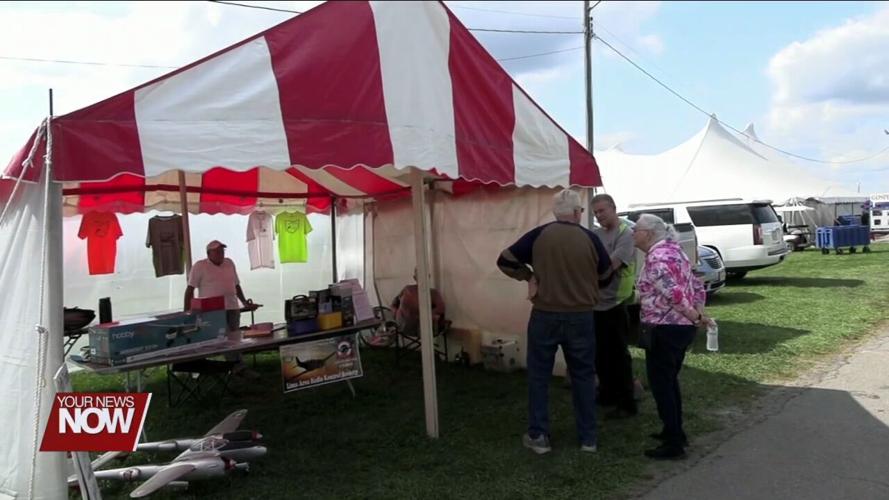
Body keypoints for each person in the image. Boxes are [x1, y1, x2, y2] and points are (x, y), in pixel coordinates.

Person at [497, 189, 612, 455]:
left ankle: (539, 436)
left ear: (555, 212)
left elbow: (504, 260)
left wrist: (529, 276)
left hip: (545, 315)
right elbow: (606, 276)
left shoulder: (539, 235)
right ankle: (588, 438)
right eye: (582, 211)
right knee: (583, 376)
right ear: (575, 212)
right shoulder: (590, 238)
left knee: (539, 376)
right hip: (581, 316)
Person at [632, 214, 707, 460]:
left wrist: (694, 314)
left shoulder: (656, 258)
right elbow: (696, 283)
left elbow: (673, 293)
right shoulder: (677, 251)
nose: (634, 233)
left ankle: (674, 443)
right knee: (670, 380)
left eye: (638, 229)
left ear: (650, 233)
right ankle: (673, 430)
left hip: (664, 328)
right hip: (680, 328)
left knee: (661, 384)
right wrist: (697, 313)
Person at [590, 194, 638, 419]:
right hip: (596, 304)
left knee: (619, 355)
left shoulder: (626, 234)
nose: (599, 216)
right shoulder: (596, 234)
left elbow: (611, 266)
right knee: (600, 354)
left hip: (616, 303)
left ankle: (627, 402)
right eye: (596, 213)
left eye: (602, 211)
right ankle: (606, 393)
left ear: (613, 209)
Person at [184, 240, 260, 378]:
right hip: (212, 311)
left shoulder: (229, 263)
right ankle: (235, 368)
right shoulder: (200, 266)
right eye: (217, 251)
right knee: (223, 338)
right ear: (209, 254)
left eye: (222, 251)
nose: (221, 253)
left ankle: (236, 367)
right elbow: (190, 290)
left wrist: (244, 302)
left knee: (234, 337)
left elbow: (236, 285)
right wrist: (187, 312)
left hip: (232, 306)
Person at [391, 269, 447, 336]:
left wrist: (427, 315)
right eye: (419, 276)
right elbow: (394, 302)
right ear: (415, 277)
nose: (422, 278)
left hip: (421, 326)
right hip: (402, 324)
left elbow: (441, 308)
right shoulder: (407, 289)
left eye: (424, 275)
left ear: (428, 277)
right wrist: (395, 311)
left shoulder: (433, 292)